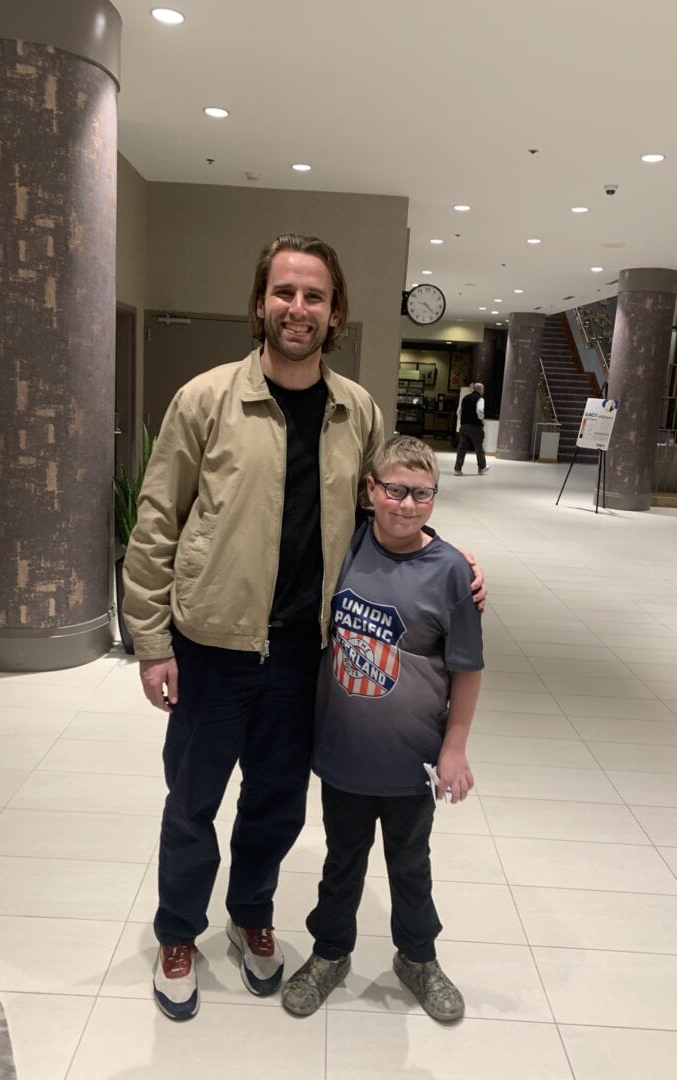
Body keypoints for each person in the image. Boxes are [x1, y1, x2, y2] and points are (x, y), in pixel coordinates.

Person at [121, 234, 486, 1022]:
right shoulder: (206, 398)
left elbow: (382, 516)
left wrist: (451, 562)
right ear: (260, 303)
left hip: (303, 657)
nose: (297, 308)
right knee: (192, 802)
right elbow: (156, 522)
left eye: (313, 296)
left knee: (277, 802)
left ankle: (252, 914)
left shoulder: (357, 410)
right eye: (284, 292)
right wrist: (151, 642)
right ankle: (178, 931)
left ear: (334, 312)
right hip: (210, 648)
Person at [281, 435, 483, 1023]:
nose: (407, 505)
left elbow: (467, 670)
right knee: (341, 860)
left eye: (422, 494)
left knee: (409, 863)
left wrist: (455, 749)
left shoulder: (450, 572)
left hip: (410, 758)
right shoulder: (344, 546)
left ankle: (417, 957)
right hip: (344, 753)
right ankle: (330, 952)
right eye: (394, 490)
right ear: (370, 491)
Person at [454, 381, 489, 475]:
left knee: (462, 449)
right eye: (483, 390)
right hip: (475, 427)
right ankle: (482, 467)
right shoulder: (480, 399)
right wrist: (481, 420)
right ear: (481, 390)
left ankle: (458, 468)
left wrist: (463, 421)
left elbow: (458, 412)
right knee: (479, 448)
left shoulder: (465, 398)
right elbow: (480, 410)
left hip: (464, 426)